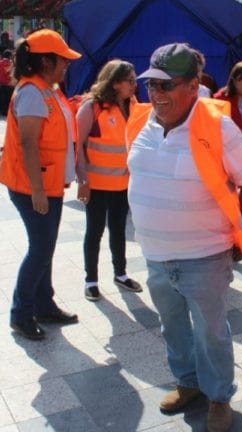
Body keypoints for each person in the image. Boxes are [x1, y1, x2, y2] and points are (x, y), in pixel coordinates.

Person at [126, 42, 242, 432]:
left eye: (167, 86)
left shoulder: (219, 128)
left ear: (192, 86)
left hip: (204, 255)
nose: (156, 94)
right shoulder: (140, 121)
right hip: (155, 253)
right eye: (152, 85)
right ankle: (188, 382)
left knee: (211, 331)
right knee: (173, 326)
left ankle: (219, 396)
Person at [0, 29, 82, 341]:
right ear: (46, 61)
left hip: (48, 183)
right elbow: (29, 144)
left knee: (45, 248)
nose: (67, 65)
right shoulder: (32, 92)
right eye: (63, 60)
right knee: (40, 249)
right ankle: (21, 314)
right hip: (33, 186)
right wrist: (37, 191)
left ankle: (44, 305)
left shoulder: (50, 90)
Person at [75, 60, 143, 302]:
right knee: (94, 232)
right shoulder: (92, 107)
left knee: (118, 230)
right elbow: (78, 145)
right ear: (115, 83)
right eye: (130, 80)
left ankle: (120, 274)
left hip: (123, 184)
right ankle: (91, 280)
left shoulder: (133, 105)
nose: (135, 85)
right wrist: (82, 180)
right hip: (96, 184)